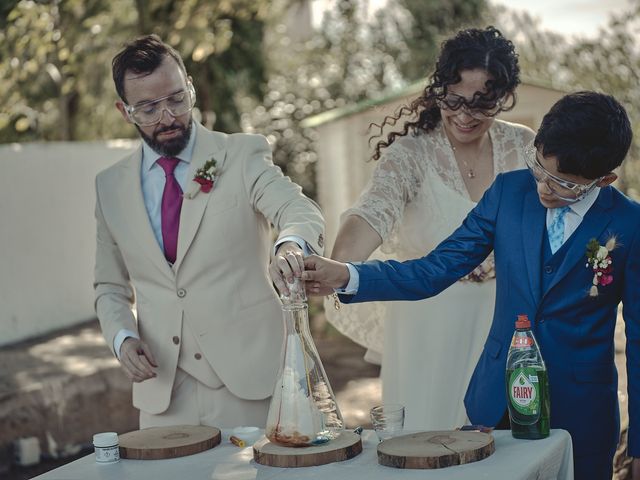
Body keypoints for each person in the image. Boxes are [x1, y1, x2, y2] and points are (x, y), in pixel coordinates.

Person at [303, 91, 639, 479]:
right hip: (493, 405)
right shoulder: (508, 193)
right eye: (540, 170)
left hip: (582, 411)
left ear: (605, 179)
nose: (544, 188)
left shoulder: (631, 224)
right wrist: (348, 274)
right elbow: (436, 268)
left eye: (564, 184)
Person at [94, 34, 324, 429]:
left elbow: (298, 209)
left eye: (176, 99)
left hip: (254, 382)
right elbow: (108, 286)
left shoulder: (241, 154)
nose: (167, 116)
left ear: (191, 90)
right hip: (163, 395)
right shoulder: (109, 186)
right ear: (124, 110)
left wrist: (290, 245)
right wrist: (121, 338)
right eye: (148, 108)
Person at [324, 26, 534, 430]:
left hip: (502, 324)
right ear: (439, 91)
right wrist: (339, 264)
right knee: (427, 440)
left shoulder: (524, 147)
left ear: (503, 98)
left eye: (482, 104)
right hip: (427, 328)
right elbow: (371, 212)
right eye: (454, 100)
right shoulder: (411, 154)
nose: (465, 115)